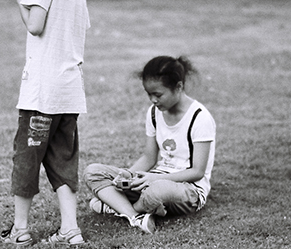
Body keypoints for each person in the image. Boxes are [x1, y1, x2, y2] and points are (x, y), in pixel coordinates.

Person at [0, 0, 89, 246]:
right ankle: (70, 229)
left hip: (41, 95)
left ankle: (20, 229)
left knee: (27, 158)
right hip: (69, 93)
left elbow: (35, 26)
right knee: (63, 159)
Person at [84, 56, 216, 234]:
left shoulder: (200, 118)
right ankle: (135, 216)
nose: (153, 100)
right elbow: (149, 158)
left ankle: (117, 206)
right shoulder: (154, 112)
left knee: (157, 190)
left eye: (158, 95)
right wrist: (127, 175)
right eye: (149, 94)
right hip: (152, 181)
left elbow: (197, 172)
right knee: (93, 171)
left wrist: (154, 179)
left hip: (188, 189)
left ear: (178, 87)